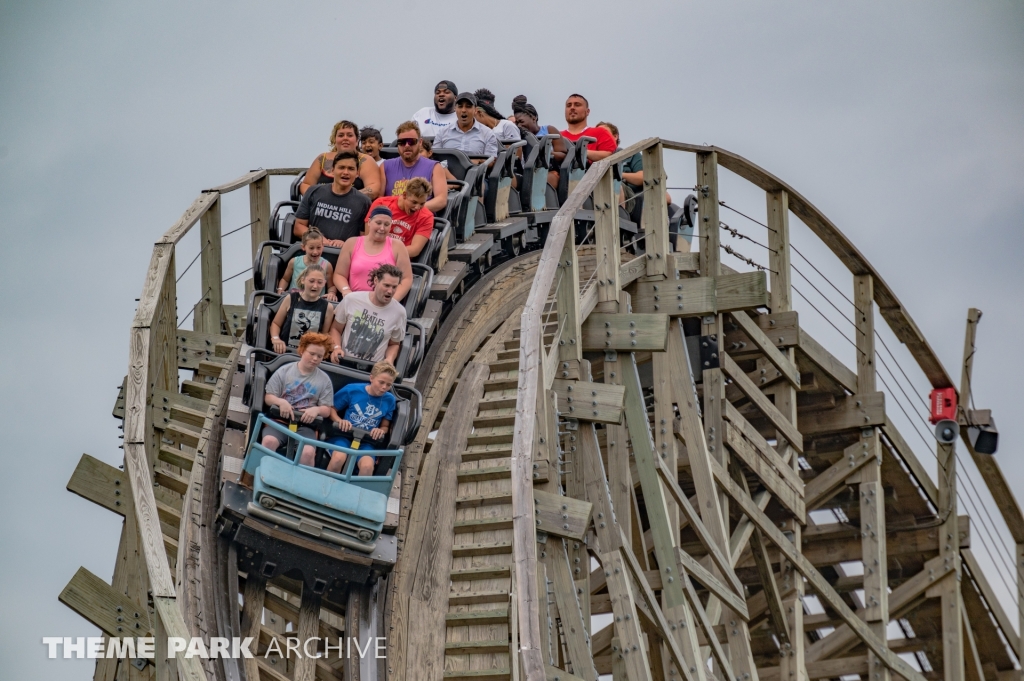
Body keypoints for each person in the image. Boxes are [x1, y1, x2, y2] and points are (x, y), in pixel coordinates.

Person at [261, 332, 335, 469]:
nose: (315, 359)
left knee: (308, 452)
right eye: (311, 354)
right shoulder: (284, 371)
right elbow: (269, 397)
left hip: (305, 426)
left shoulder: (324, 380)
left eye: (319, 356)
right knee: (269, 441)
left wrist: (316, 409)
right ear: (302, 350)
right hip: (280, 422)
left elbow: (326, 410)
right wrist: (281, 402)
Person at [325, 361, 399, 475]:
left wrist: (380, 430)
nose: (384, 387)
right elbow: (331, 410)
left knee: (367, 466)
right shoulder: (352, 390)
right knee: (338, 459)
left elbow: (385, 425)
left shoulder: (390, 400)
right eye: (381, 382)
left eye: (388, 385)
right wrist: (339, 421)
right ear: (372, 378)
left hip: (366, 441)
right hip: (344, 435)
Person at [329, 263, 406, 365]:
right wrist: (337, 348)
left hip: (372, 369)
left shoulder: (399, 312)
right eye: (386, 285)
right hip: (344, 361)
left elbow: (394, 344)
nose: (390, 291)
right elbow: (335, 329)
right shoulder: (352, 299)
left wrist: (389, 359)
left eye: (394, 287)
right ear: (376, 281)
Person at [333, 205, 414, 302]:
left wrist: (393, 301)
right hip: (354, 300)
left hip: (383, 303)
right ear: (369, 222)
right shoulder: (351, 243)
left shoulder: (398, 246)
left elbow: (406, 279)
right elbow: (339, 274)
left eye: (387, 224)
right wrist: (346, 291)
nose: (382, 228)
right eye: (378, 223)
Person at [293, 151, 372, 249]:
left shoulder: (364, 202)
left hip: (344, 255)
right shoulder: (314, 192)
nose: (346, 172)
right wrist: (320, 239)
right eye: (341, 167)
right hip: (313, 253)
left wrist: (346, 244)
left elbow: (364, 238)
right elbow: (298, 227)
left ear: (357, 173)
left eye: (351, 169)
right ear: (332, 170)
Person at [299, 120, 382, 198]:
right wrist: (318, 198)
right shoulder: (322, 158)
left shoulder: (366, 160)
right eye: (341, 135)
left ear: (357, 141)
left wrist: (344, 199)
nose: (345, 138)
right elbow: (306, 184)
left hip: (353, 206)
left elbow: (374, 188)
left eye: (349, 135)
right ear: (334, 140)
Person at [380, 121, 448, 213]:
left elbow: (441, 200)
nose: (407, 145)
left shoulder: (434, 167)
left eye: (411, 141)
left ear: (420, 142)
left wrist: (413, 208)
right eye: (402, 142)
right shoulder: (385, 166)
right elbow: (379, 199)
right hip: (392, 220)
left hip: (420, 220)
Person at [270, 265, 336, 353]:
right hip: (286, 352)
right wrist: (275, 339)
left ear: (324, 283)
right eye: (311, 281)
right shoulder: (291, 298)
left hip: (308, 356)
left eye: (320, 282)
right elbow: (276, 323)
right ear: (303, 280)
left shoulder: (328, 307)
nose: (315, 286)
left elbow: (323, 336)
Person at [368, 178, 434, 258]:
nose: (417, 207)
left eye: (422, 203)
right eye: (414, 202)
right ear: (405, 195)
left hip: (400, 259)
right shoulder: (381, 204)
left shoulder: (426, 217)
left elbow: (414, 250)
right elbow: (368, 236)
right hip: (373, 253)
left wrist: (386, 254)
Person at [433, 92, 500, 159]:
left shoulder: (487, 133)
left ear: (475, 110)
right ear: (455, 109)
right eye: (460, 106)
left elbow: (491, 160)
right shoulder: (442, 133)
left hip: (477, 169)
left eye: (468, 106)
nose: (464, 110)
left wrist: (477, 162)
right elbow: (434, 157)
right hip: (446, 169)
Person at [277, 228, 336, 298]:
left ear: (323, 247)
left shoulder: (326, 265)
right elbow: (285, 279)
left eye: (319, 248)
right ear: (303, 247)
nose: (315, 252)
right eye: (311, 248)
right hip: (294, 299)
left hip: (315, 303)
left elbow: (331, 286)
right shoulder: (294, 262)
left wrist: (331, 293)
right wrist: (280, 289)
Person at [561, 94, 617, 162]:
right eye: (568, 105)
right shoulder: (557, 136)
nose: (572, 108)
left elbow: (610, 156)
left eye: (577, 105)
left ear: (587, 111)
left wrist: (581, 152)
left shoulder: (600, 132)